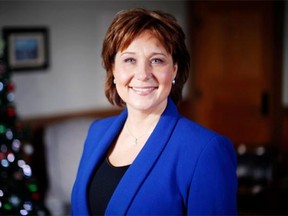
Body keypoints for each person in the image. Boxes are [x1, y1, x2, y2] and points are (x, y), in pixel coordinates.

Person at [71, 8, 237, 215]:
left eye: (157, 60)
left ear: (174, 69)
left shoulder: (205, 151)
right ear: (113, 69)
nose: (142, 74)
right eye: (129, 60)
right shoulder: (97, 132)